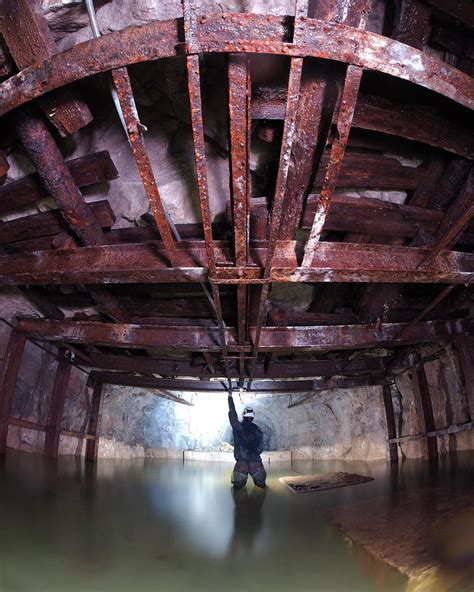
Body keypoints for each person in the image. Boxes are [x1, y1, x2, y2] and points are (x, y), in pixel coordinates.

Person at [228, 393, 267, 489]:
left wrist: (230, 397)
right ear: (253, 416)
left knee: (238, 488)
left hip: (242, 463)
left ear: (243, 416)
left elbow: (232, 413)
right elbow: (261, 448)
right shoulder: (257, 430)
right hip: (256, 462)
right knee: (261, 485)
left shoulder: (238, 427)